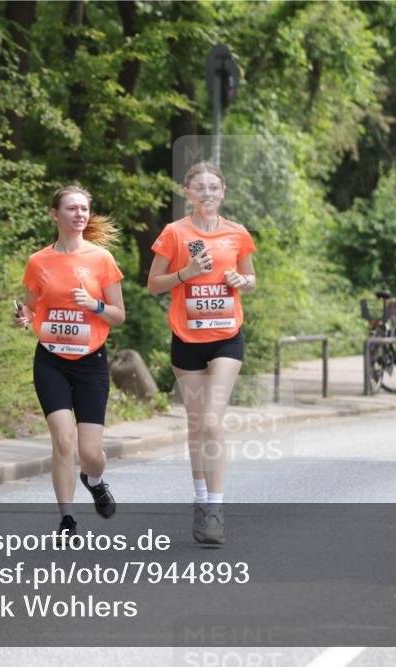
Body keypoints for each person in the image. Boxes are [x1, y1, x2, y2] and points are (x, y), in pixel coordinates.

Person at [147, 161, 256, 545]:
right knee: (196, 425)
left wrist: (244, 280)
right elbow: (153, 284)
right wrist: (186, 273)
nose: (207, 193)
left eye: (213, 187)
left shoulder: (237, 233)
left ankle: (216, 507)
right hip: (187, 339)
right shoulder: (175, 233)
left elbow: (251, 276)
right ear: (188, 194)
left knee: (211, 421)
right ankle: (199, 499)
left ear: (222, 191)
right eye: (199, 188)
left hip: (227, 336)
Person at [15, 185, 126, 541]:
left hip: (91, 362)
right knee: (63, 440)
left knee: (90, 452)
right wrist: (23, 317)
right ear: (55, 214)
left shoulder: (101, 259)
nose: (80, 215)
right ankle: (67, 520)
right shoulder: (39, 261)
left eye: (84, 209)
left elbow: (119, 315)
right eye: (72, 209)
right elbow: (31, 308)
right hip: (51, 360)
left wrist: (93, 306)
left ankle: (94, 480)